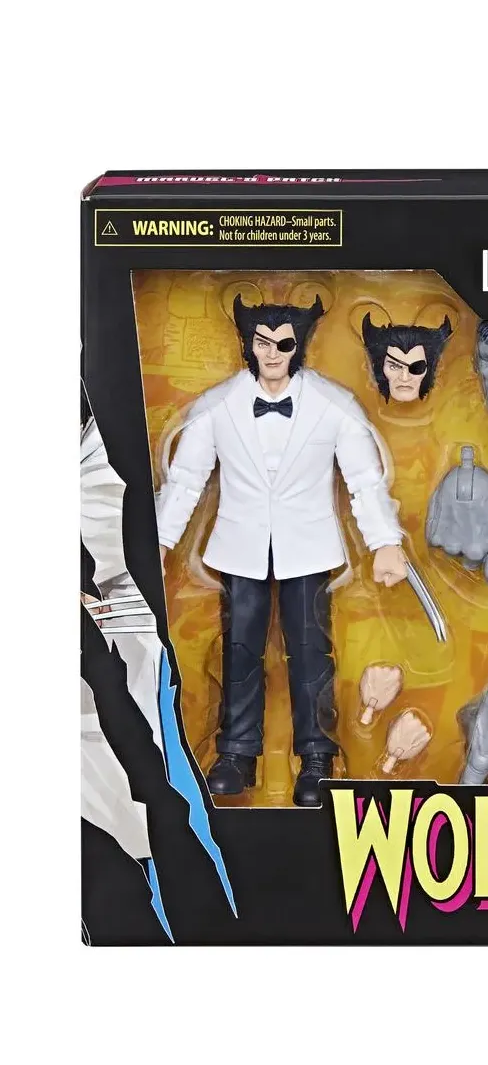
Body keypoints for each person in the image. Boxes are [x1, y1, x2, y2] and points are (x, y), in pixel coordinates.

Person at [157, 294, 407, 807]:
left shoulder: (333, 405)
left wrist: (384, 542)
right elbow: (184, 480)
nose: (272, 353)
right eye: (262, 342)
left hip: (309, 547)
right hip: (239, 546)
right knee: (240, 651)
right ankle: (235, 754)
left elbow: (364, 480)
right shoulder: (219, 405)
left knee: (311, 653)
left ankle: (317, 756)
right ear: (248, 343)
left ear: (300, 345)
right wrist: (158, 543)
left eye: (284, 343)